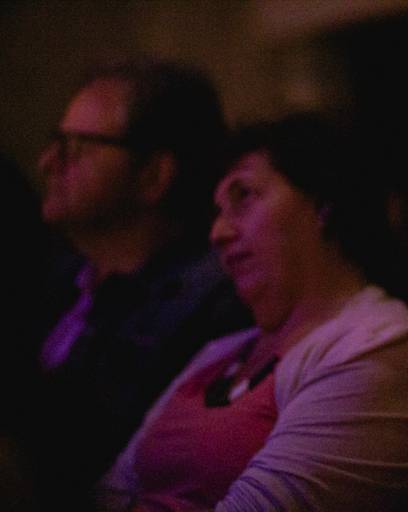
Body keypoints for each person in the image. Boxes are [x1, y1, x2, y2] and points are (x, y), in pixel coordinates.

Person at [98, 115, 408, 511]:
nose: (218, 232)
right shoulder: (219, 352)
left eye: (243, 196)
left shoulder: (388, 346)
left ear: (322, 204)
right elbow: (106, 494)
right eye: (217, 210)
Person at [26, 58, 251, 506]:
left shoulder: (213, 302)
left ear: (154, 176)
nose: (47, 162)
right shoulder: (60, 280)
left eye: (76, 148)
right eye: (54, 142)